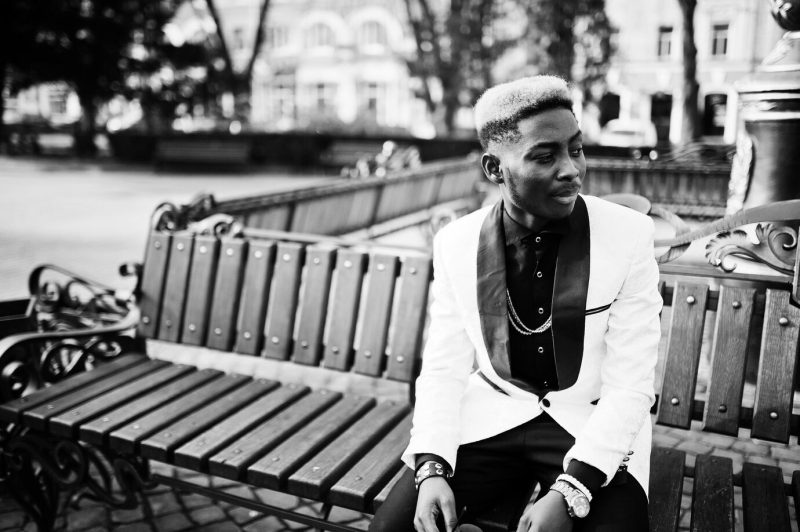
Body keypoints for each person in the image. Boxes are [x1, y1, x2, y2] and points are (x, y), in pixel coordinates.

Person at [370, 76, 662, 531]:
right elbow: (444, 368)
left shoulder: (629, 237)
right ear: (494, 168)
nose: (571, 169)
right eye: (545, 156)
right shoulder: (455, 244)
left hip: (592, 424)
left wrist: (570, 492)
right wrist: (430, 468)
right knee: (393, 528)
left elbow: (631, 386)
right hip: (493, 415)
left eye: (576, 149)